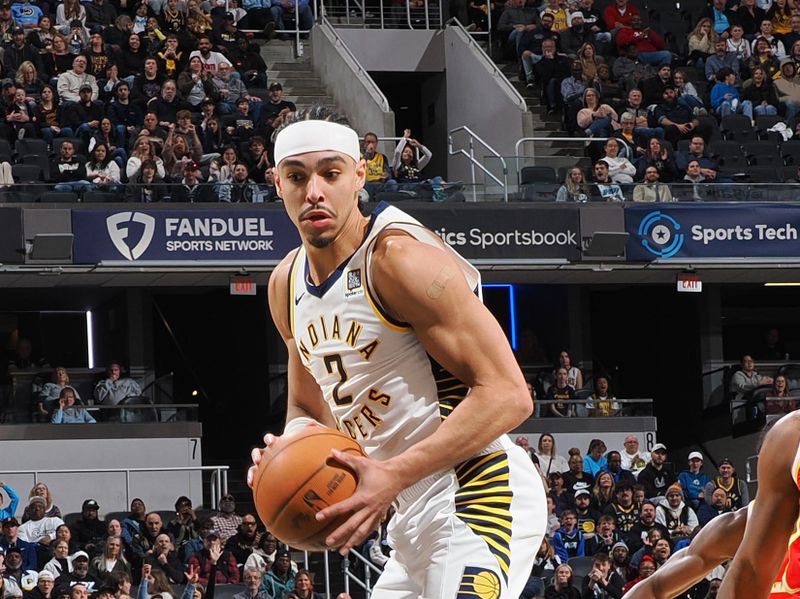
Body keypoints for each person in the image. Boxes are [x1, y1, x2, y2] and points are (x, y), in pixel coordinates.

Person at [247, 110, 547, 597]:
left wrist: (391, 474)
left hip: (477, 490)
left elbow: (510, 396)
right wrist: (284, 452)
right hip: (407, 513)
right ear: (276, 183)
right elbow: (307, 408)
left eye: (331, 172)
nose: (314, 191)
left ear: (360, 174)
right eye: (297, 177)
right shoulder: (285, 284)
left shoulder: (396, 258)